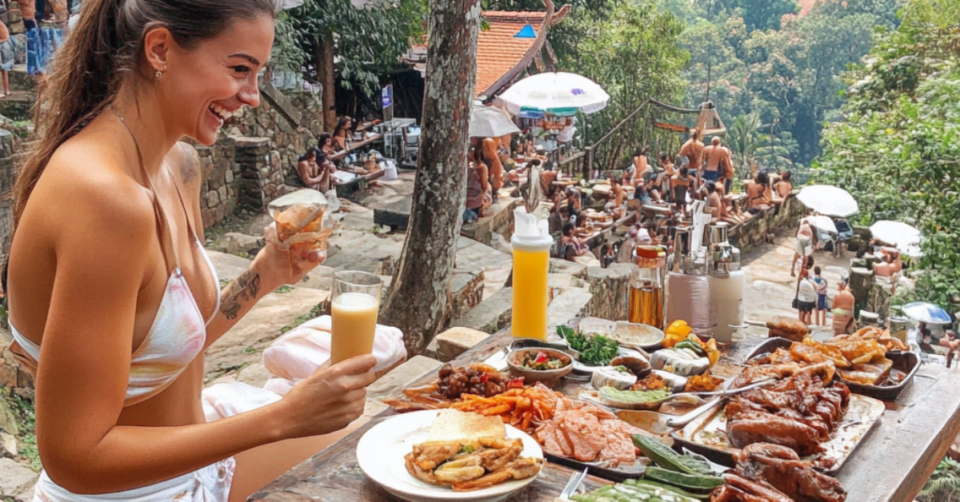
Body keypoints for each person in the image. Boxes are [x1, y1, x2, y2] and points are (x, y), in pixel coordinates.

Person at [4, 2, 381, 500]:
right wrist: (284, 418)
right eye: (240, 69)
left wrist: (265, 275)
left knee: (375, 446)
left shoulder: (177, 164)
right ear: (159, 49)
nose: (253, 97)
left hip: (199, 463)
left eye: (258, 74)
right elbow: (75, 457)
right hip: (130, 491)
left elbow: (168, 348)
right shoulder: (103, 200)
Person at [481, 137, 504, 203]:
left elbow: (491, 176)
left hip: (494, 186)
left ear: (488, 149)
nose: (483, 150)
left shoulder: (494, 160)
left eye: (484, 148)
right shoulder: (490, 159)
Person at [0, 20, 11, 97]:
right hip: (4, 44)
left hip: (3, 44)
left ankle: (3, 91)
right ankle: (6, 90)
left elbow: (6, 36)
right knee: (4, 69)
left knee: (4, 69)